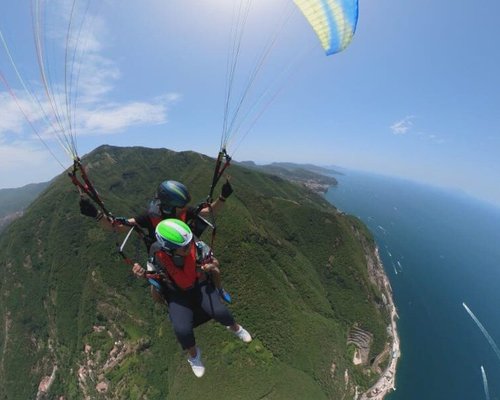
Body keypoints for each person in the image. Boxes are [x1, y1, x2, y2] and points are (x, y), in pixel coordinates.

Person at [132, 218, 252, 378]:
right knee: (182, 330)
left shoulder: (195, 244)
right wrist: (148, 279)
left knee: (221, 312)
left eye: (189, 243)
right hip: (176, 294)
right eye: (184, 247)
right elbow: (156, 293)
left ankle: (235, 328)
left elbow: (215, 262)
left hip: (198, 285)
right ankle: (194, 356)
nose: (190, 247)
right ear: (169, 249)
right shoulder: (156, 257)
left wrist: (211, 266)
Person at [79, 179, 233, 303]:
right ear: (169, 207)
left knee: (215, 263)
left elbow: (208, 211)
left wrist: (223, 197)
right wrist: (96, 214)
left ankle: (219, 289)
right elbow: (118, 227)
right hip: (161, 254)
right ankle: (172, 302)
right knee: (157, 293)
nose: (185, 209)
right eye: (181, 207)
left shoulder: (182, 209)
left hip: (186, 248)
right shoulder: (150, 216)